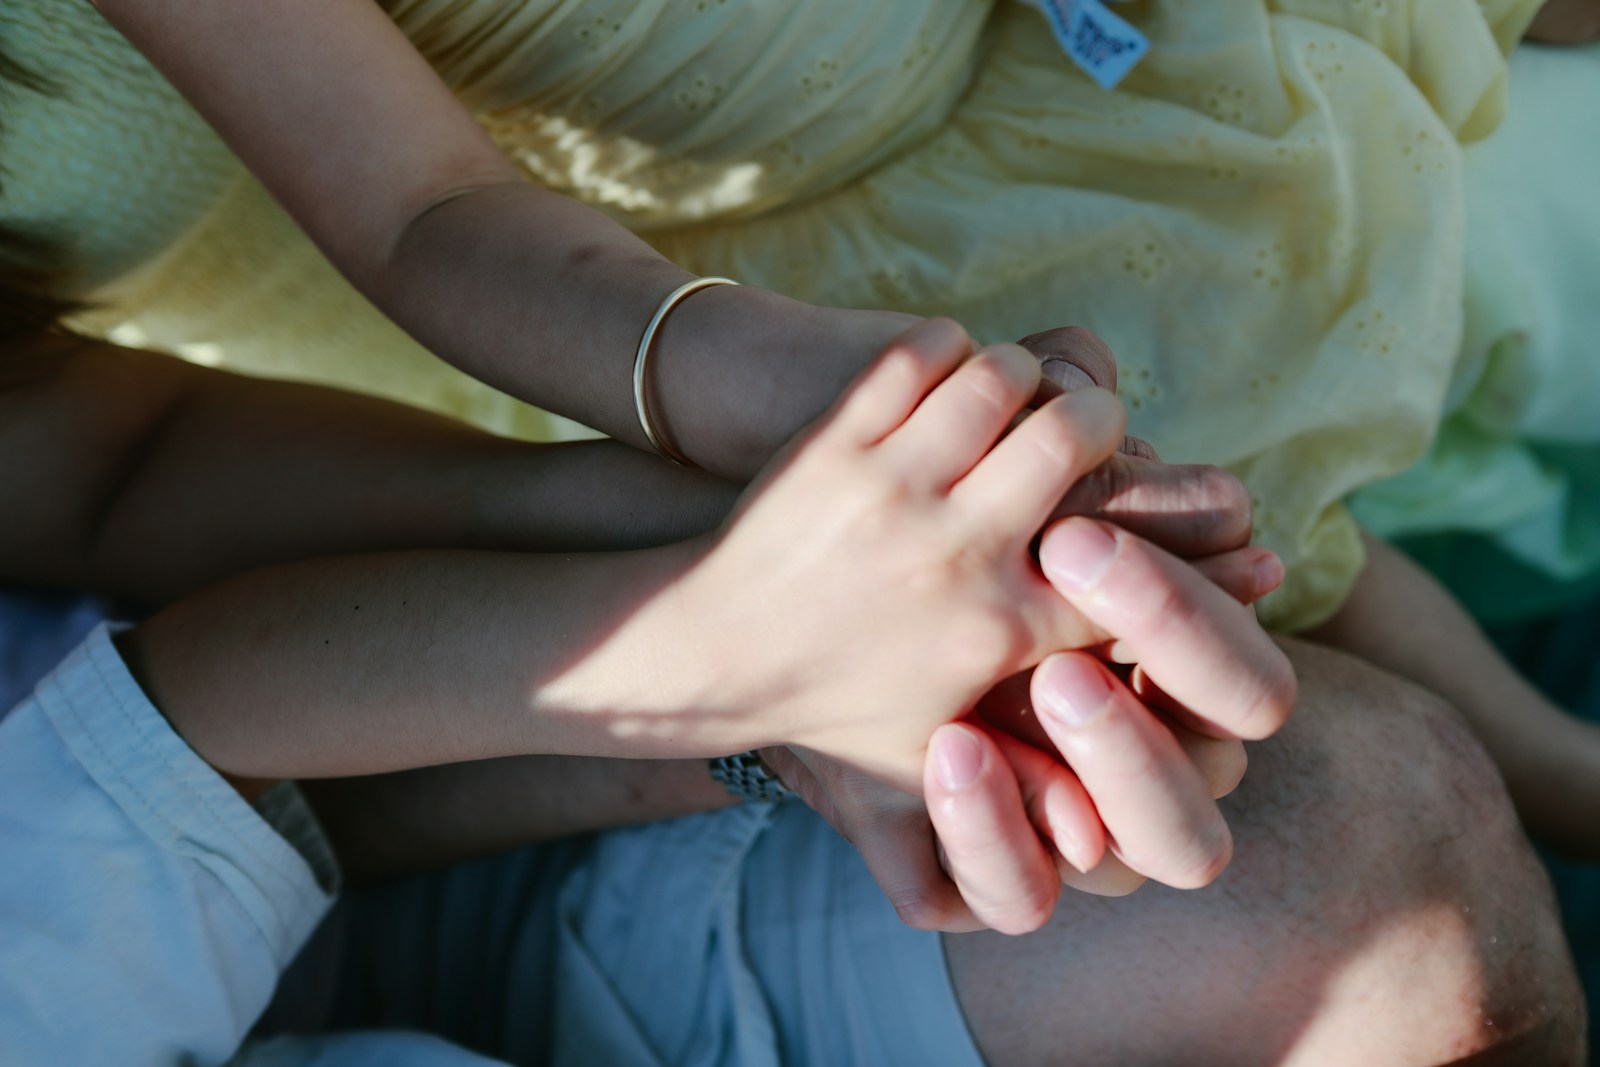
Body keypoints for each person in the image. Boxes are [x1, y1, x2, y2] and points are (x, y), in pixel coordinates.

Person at [52, 0, 1600, 856]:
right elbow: (419, 207)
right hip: (710, 273)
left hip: (1012, 69)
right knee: (1236, 522)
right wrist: (726, 428)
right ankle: (1565, 780)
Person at [0, 319, 1587, 1063]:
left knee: (1384, 884)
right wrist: (749, 640)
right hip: (281, 779)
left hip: (333, 740)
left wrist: (780, 631)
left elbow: (168, 707)